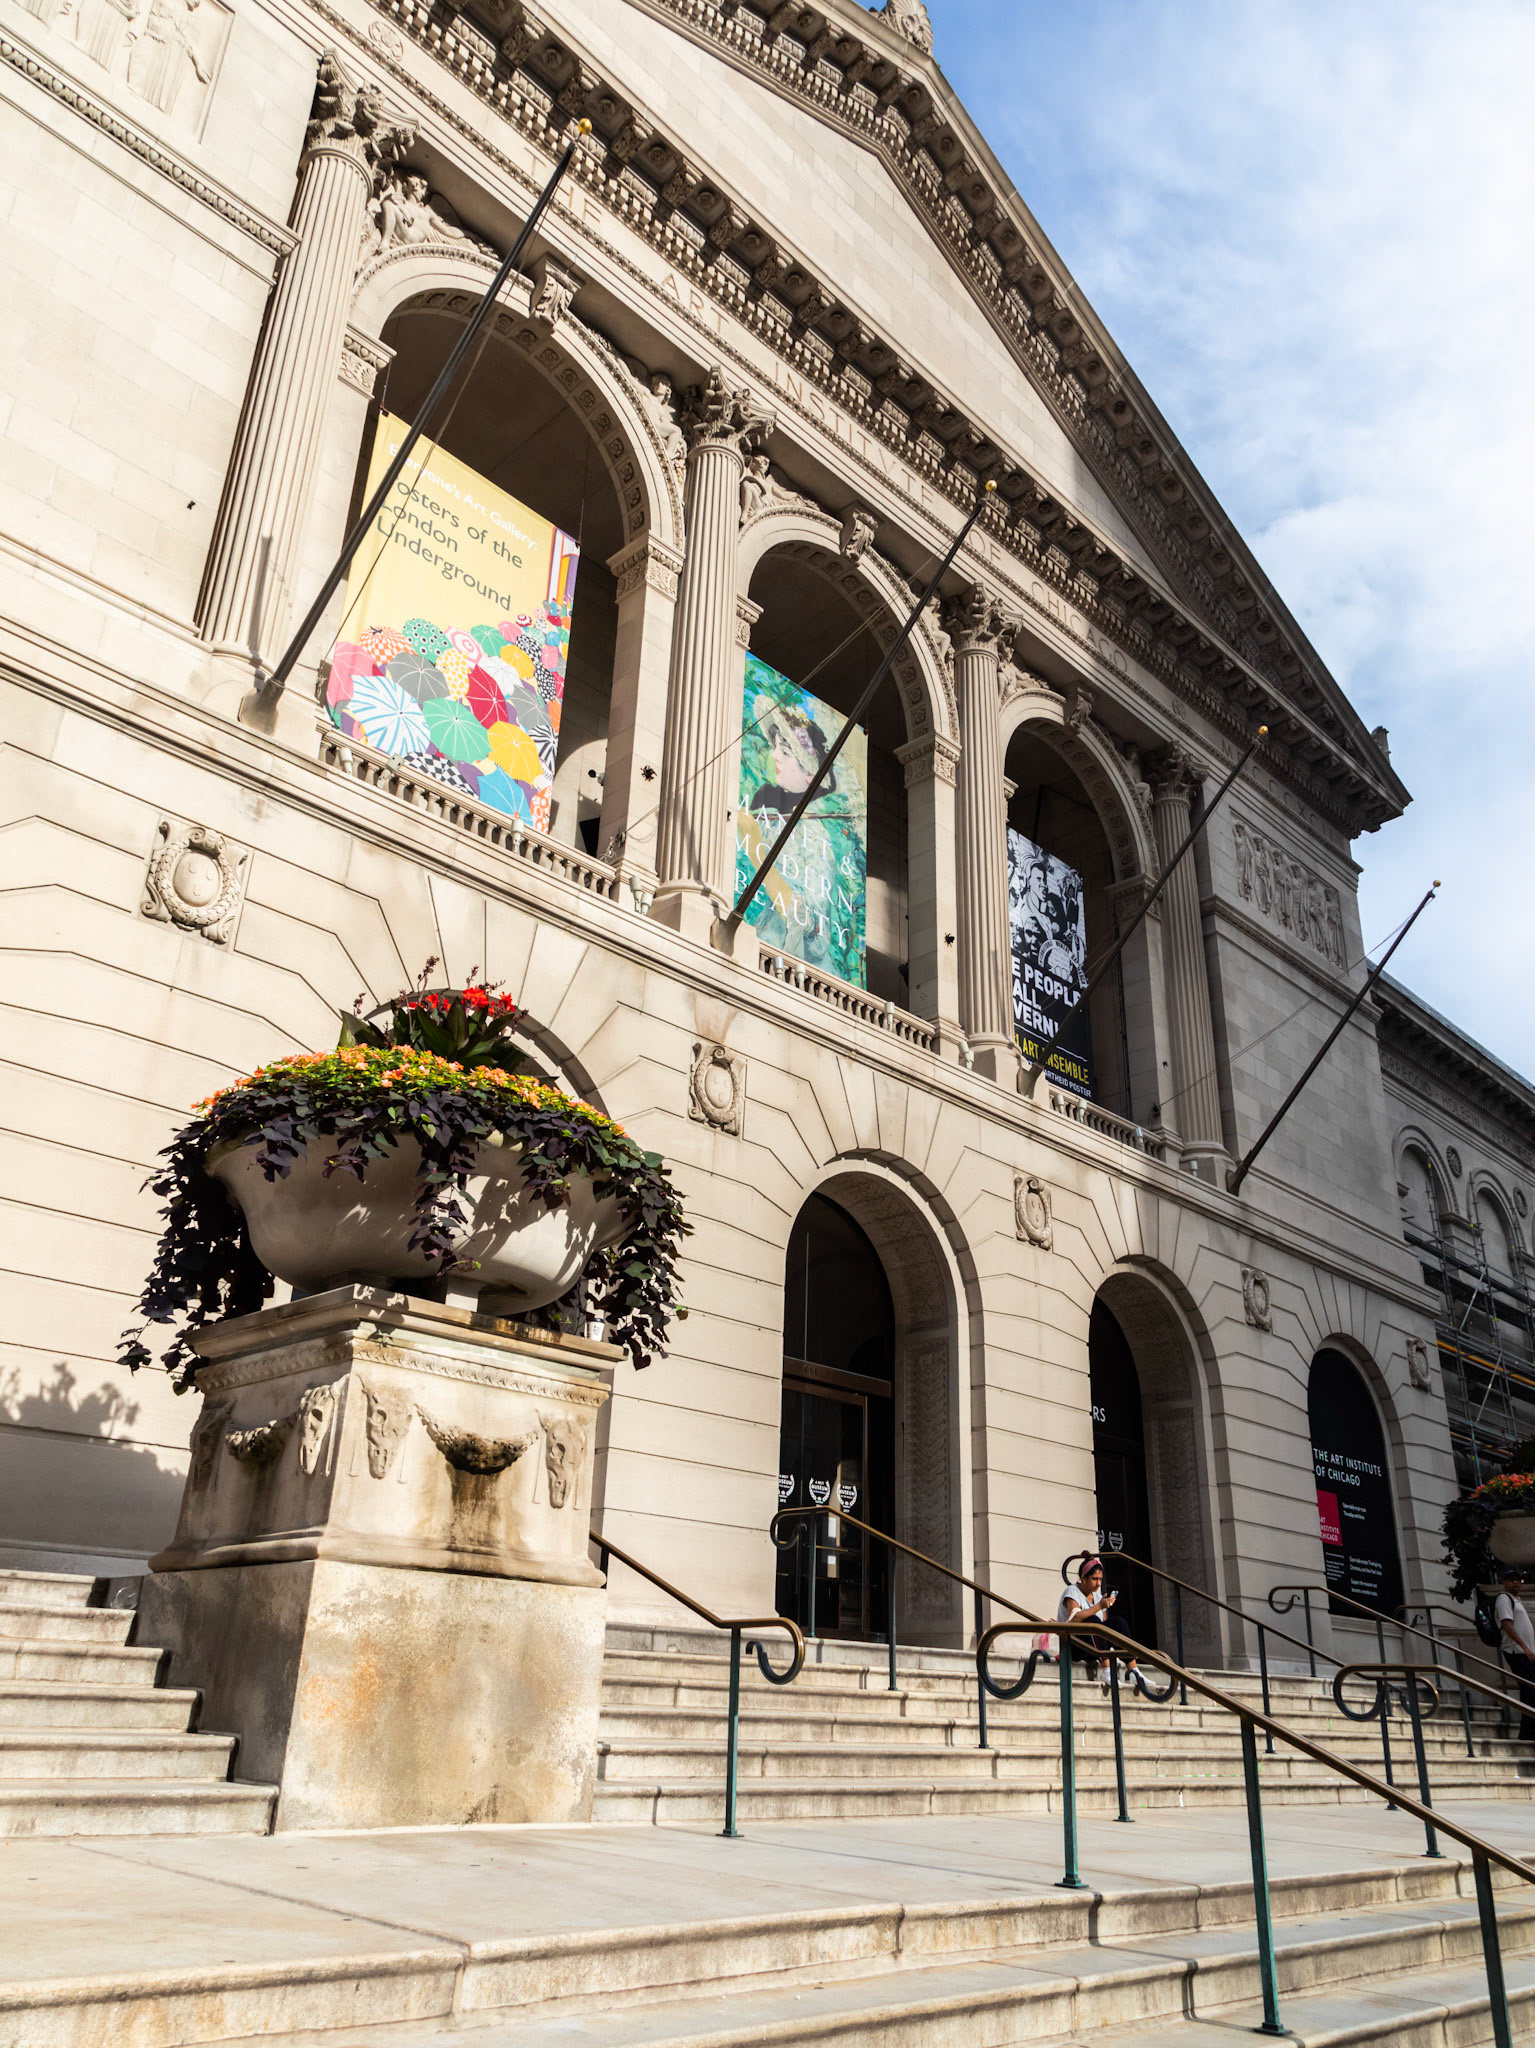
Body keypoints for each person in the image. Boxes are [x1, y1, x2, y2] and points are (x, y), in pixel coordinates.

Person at [1057, 1556, 1139, 1693]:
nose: (1098, 1584)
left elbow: (1104, 1624)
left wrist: (1102, 1606)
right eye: (1094, 1579)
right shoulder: (1072, 1591)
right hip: (1074, 1645)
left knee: (1118, 1622)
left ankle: (1133, 1670)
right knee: (1093, 1622)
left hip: (1094, 1648)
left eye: (1100, 1579)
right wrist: (1099, 1606)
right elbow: (1075, 1618)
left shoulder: (1096, 1596)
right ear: (1083, 1578)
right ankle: (1106, 1670)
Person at [1494, 1569, 1535, 1742]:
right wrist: (1524, 1647)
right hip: (1516, 1651)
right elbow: (1507, 1624)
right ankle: (1529, 1731)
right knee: (1529, 1689)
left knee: (1529, 1690)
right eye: (1511, 1580)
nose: (1516, 1583)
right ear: (1503, 1582)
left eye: (1518, 1580)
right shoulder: (1504, 1599)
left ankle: (1527, 1731)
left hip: (1525, 1652)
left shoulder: (1516, 1600)